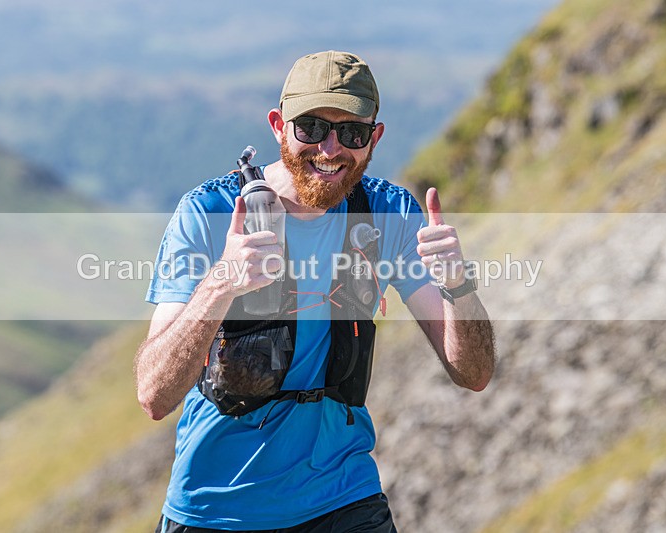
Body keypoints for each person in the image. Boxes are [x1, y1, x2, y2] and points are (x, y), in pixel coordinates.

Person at [135, 50, 495, 532]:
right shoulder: (208, 212)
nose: (329, 149)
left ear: (374, 138)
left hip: (345, 500)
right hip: (215, 509)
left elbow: (472, 373)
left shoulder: (390, 212)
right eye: (310, 128)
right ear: (278, 126)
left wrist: (457, 284)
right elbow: (154, 395)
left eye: (351, 133)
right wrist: (222, 280)